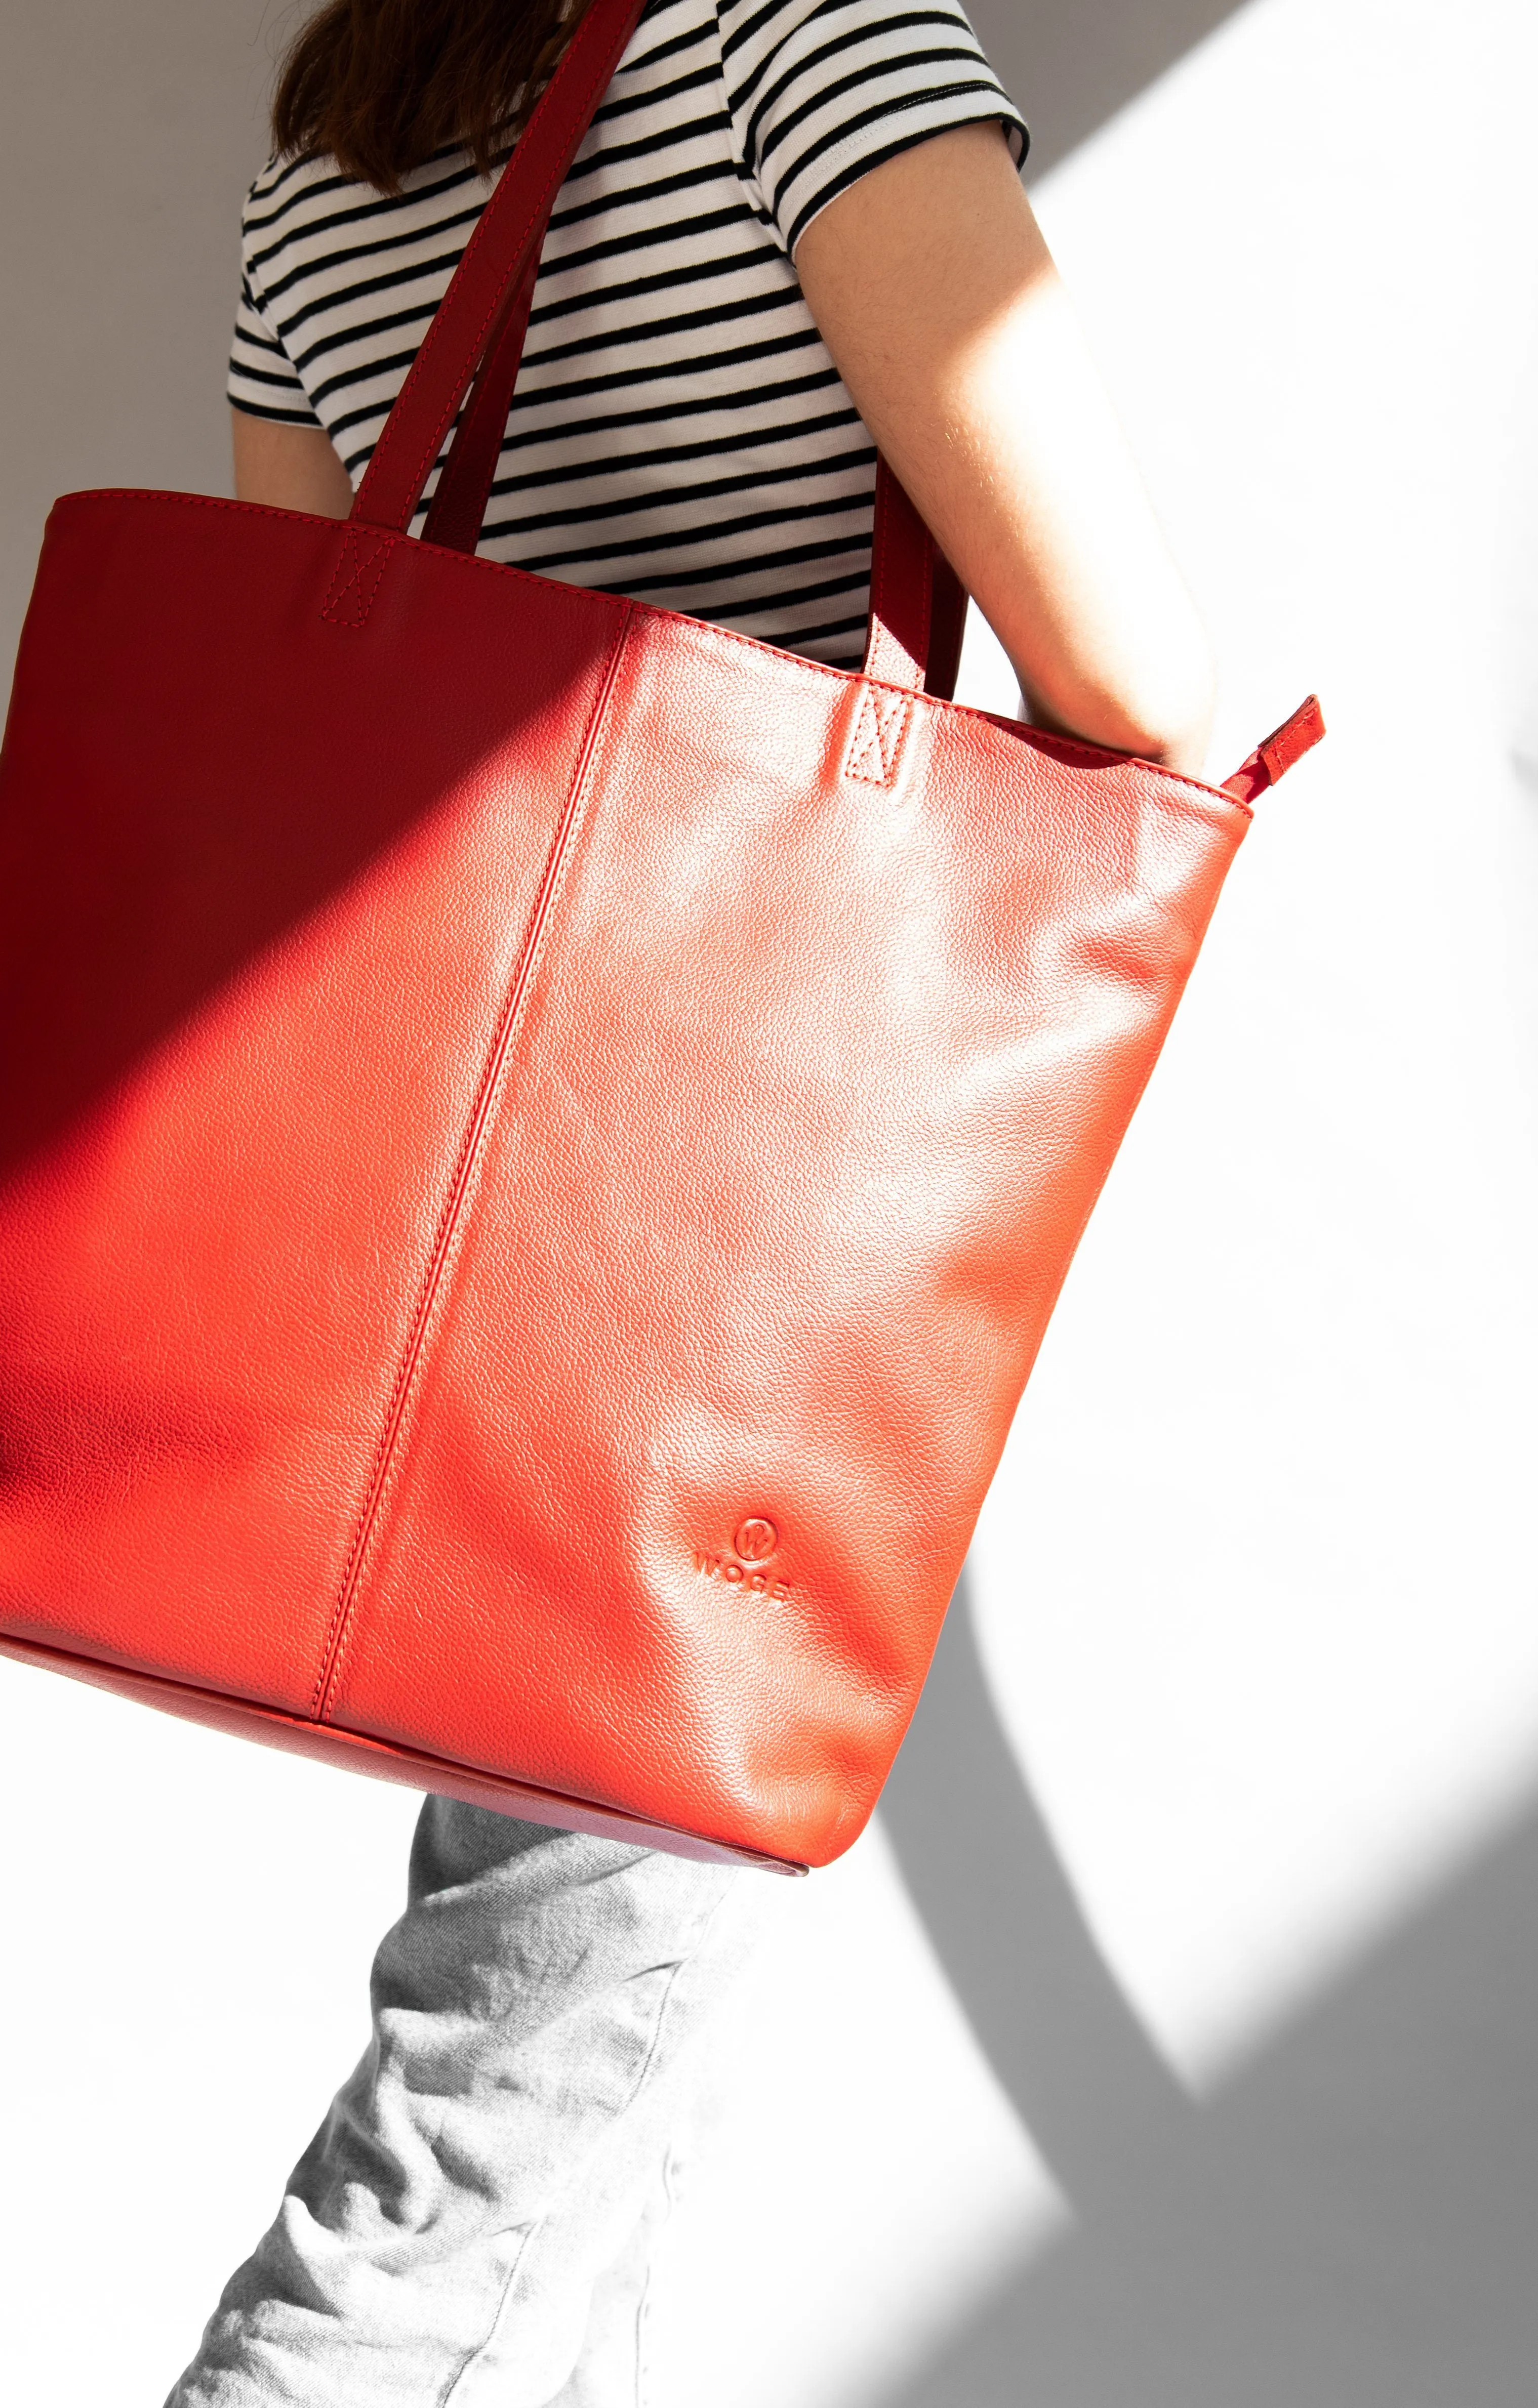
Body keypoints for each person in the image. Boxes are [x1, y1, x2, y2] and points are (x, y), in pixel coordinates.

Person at [165, 3, 1215, 2403]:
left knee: (577, 2099)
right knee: (488, 2148)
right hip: (723, 1230)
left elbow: (310, 700)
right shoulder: (817, 39)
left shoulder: (341, 124)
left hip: (462, 1217)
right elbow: (1123, 664)